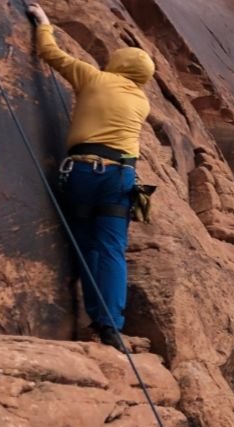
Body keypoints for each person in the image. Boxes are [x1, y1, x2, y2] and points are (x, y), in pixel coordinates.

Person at [26, 4, 154, 348]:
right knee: (112, 249)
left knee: (84, 242)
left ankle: (93, 313)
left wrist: (44, 22)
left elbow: (50, 54)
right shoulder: (142, 102)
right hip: (121, 178)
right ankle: (109, 324)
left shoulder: (95, 78)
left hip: (83, 171)